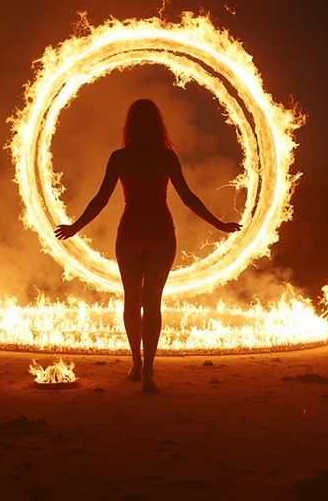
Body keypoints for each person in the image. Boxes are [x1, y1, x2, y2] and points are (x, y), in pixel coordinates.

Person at [55, 99, 241, 394]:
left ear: (129, 124)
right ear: (158, 125)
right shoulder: (166, 157)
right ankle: (150, 372)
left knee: (131, 299)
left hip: (129, 230)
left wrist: (75, 227)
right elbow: (188, 198)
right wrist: (219, 225)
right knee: (152, 302)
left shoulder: (119, 157)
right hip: (161, 231)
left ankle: (136, 364)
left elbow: (101, 200)